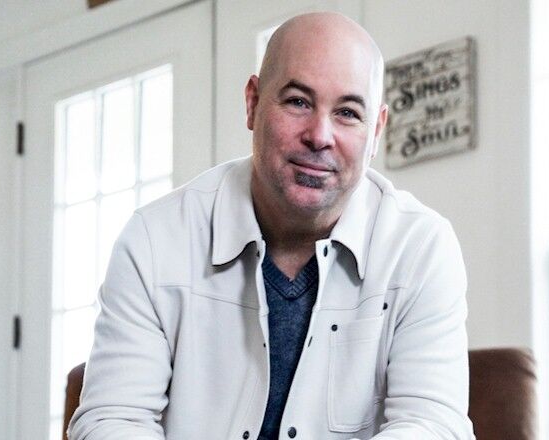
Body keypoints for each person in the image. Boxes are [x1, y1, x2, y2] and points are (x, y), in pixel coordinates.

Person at [69, 12, 474, 440]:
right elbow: (113, 420)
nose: (320, 135)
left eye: (347, 112)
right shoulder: (153, 240)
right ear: (253, 103)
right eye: (298, 101)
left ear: (375, 131)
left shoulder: (422, 248)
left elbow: (432, 425)